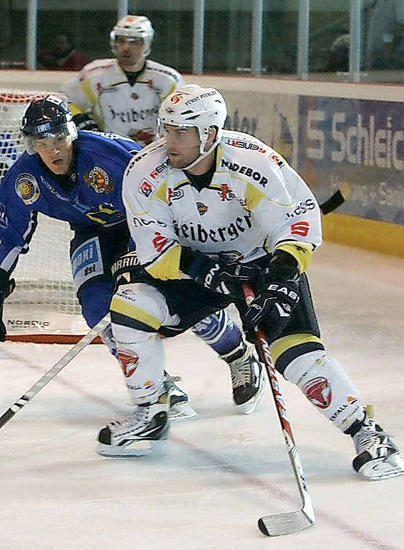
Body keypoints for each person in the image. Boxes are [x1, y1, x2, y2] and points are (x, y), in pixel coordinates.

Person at [98, 83, 404, 482]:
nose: (168, 141)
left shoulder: (253, 161)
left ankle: (367, 431)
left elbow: (297, 220)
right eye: (166, 130)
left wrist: (282, 278)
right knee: (130, 304)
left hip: (260, 265)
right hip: (193, 267)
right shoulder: (145, 171)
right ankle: (151, 410)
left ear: (209, 133)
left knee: (294, 353)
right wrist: (208, 271)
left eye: (180, 133)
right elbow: (155, 248)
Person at [0, 94, 266, 421]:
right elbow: (8, 235)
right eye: (42, 143)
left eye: (58, 139)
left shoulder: (109, 156)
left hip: (145, 219)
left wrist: (141, 251)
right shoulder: (23, 179)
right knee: (97, 307)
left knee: (172, 295)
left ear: (71, 133)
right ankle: (156, 385)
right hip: (91, 231)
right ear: (31, 145)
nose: (53, 151)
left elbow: (161, 194)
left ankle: (238, 355)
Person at [64, 14, 183, 146]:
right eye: (121, 41)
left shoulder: (168, 79)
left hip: (154, 151)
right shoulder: (93, 75)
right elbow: (67, 103)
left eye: (134, 41)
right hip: (109, 149)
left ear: (147, 43)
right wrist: (83, 122)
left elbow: (183, 116)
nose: (126, 47)